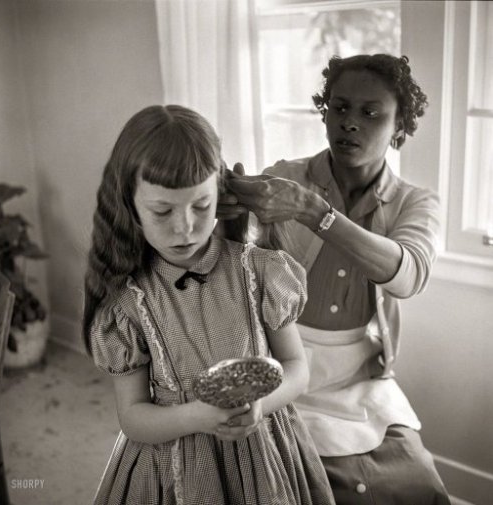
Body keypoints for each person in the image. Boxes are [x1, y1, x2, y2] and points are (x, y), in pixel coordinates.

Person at [220, 54, 451, 504]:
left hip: (358, 373)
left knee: (417, 483)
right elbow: (236, 261)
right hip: (279, 360)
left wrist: (315, 212)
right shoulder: (284, 177)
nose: (350, 123)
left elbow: (408, 276)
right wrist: (228, 214)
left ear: (399, 127)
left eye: (371, 113)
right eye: (339, 107)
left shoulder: (415, 203)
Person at [82, 104, 335, 505]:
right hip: (175, 462)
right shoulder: (127, 304)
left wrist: (259, 404)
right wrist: (197, 416)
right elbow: (132, 416)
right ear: (129, 205)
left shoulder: (261, 271)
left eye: (201, 206)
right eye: (163, 211)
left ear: (219, 193)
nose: (185, 228)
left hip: (263, 452)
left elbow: (298, 370)